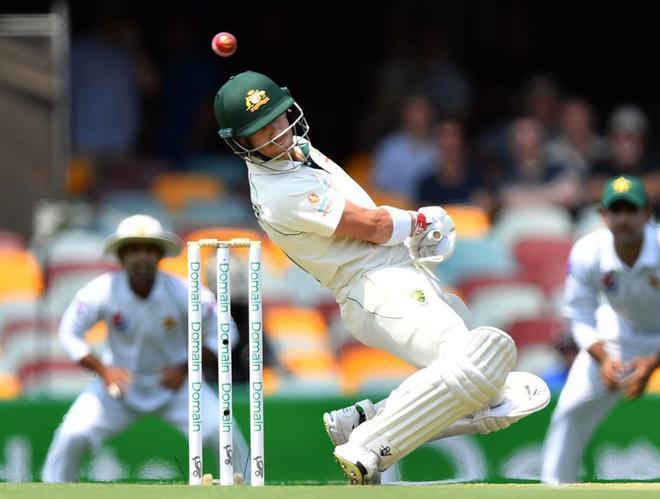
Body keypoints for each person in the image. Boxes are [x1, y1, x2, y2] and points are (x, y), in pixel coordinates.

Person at [212, 71, 550, 484]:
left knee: (487, 389)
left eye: (278, 118)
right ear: (240, 143)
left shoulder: (297, 151)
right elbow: (371, 225)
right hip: (374, 288)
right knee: (476, 364)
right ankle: (370, 443)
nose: (275, 133)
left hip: (394, 273)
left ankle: (368, 419)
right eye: (259, 131)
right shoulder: (279, 192)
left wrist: (410, 238)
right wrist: (419, 221)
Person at [41, 214, 248, 483]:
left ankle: (246, 489)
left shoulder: (183, 290)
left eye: (149, 249)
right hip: (120, 388)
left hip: (176, 387)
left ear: (160, 254)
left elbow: (226, 332)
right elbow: (69, 333)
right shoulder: (103, 290)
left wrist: (187, 368)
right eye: (134, 250)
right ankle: (53, 489)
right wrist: (104, 371)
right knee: (72, 434)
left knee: (222, 430)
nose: (142, 258)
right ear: (121, 256)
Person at [541, 175, 660, 484]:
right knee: (570, 411)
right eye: (615, 210)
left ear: (647, 213)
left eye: (631, 210)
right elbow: (580, 315)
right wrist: (603, 358)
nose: (623, 218)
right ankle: (555, 489)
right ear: (603, 215)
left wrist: (651, 362)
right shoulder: (588, 251)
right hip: (618, 336)